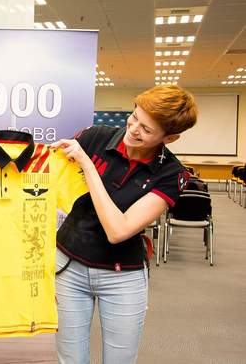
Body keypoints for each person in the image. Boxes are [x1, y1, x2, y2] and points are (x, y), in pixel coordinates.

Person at [50, 84, 198, 364]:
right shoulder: (95, 137)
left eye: (147, 129)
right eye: (134, 117)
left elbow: (118, 231)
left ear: (170, 138)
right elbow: (40, 170)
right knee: (70, 358)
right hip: (68, 267)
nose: (133, 129)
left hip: (121, 278)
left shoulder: (171, 174)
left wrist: (88, 166)